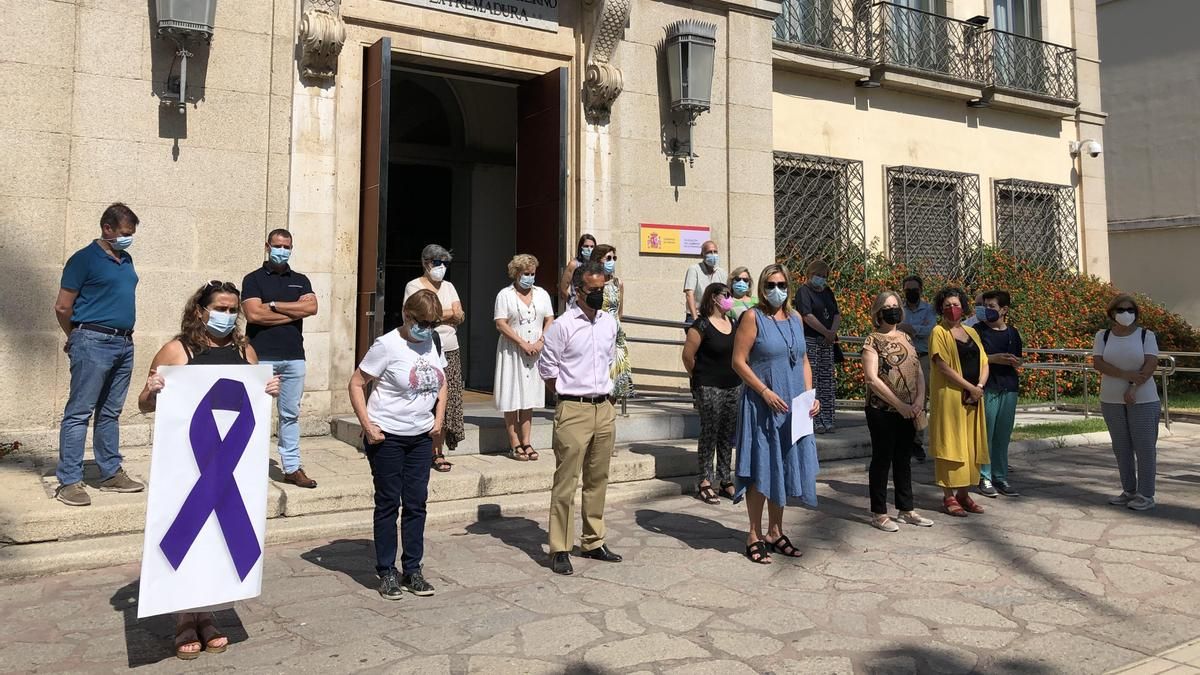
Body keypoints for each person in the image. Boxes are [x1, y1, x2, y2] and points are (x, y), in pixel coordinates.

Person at [136, 280, 281, 659]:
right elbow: (145, 404)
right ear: (200, 310)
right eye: (221, 307)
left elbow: (254, 395)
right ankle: (185, 617)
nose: (228, 315)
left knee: (217, 536)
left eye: (233, 309)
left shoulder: (244, 350)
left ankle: (208, 613)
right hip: (190, 463)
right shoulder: (177, 349)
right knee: (191, 531)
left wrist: (269, 392)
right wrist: (152, 389)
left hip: (230, 462)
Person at [348, 290, 447, 599]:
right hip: (388, 436)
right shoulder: (387, 345)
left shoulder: (433, 341)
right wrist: (367, 426)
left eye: (433, 323)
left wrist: (439, 420)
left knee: (417, 503)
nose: (427, 329)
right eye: (422, 322)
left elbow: (441, 382)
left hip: (420, 437)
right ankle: (387, 570)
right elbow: (355, 383)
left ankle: (413, 569)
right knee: (389, 502)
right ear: (407, 315)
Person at [52, 202, 145, 507]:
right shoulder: (83, 260)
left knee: (110, 412)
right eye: (124, 233)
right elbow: (63, 306)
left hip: (123, 343)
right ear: (107, 228)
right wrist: (76, 336)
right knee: (80, 412)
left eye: (130, 234)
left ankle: (109, 473)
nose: (127, 238)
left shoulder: (126, 258)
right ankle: (69, 480)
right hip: (92, 340)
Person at [731, 264, 820, 564]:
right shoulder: (752, 317)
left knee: (782, 465)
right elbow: (739, 362)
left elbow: (804, 360)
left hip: (793, 407)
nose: (776, 290)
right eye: (770, 284)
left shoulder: (795, 318)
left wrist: (810, 395)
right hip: (762, 406)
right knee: (761, 468)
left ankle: (776, 531)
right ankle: (754, 534)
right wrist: (764, 391)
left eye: (781, 284)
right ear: (761, 287)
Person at [539, 261, 623, 575]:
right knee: (566, 482)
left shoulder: (608, 323)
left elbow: (610, 360)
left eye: (603, 289)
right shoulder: (562, 326)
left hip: (604, 408)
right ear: (578, 290)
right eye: (594, 290)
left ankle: (593, 541)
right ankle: (560, 547)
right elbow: (547, 369)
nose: (599, 295)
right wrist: (566, 395)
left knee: (598, 479)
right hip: (573, 409)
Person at [241, 229, 319, 489]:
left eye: (287, 246)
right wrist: (292, 312)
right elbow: (254, 315)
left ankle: (292, 467)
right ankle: (248, 465)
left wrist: (273, 305)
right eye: (277, 245)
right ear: (267, 246)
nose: (282, 250)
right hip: (260, 357)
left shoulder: (300, 280)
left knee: (290, 415)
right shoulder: (253, 279)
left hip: (294, 357)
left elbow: (311, 308)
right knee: (254, 414)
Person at [861, 291, 933, 532]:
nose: (892, 310)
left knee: (904, 459)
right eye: (887, 306)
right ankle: (879, 512)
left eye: (896, 305)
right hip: (882, 410)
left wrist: (919, 401)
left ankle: (906, 508)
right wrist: (898, 404)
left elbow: (918, 371)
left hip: (910, 410)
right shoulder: (872, 340)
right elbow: (872, 379)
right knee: (882, 459)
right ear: (878, 312)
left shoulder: (906, 337)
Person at [1092, 294, 1161, 511]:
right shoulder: (1103, 336)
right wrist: (1124, 375)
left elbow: (1150, 363)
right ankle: (1129, 490)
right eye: (1121, 309)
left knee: (1144, 448)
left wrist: (1133, 386)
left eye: (1131, 310)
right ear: (1112, 313)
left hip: (1143, 399)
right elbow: (1098, 363)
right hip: (1111, 399)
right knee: (1121, 447)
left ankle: (1146, 494)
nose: (1126, 313)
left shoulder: (1145, 335)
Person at [929, 287, 990, 517]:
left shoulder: (972, 333)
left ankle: (964, 493)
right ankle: (948, 496)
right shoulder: (938, 332)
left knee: (969, 445)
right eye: (946, 306)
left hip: (974, 398)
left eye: (955, 304)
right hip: (951, 400)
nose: (951, 309)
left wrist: (980, 387)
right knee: (951, 445)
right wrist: (969, 387)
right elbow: (942, 365)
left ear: (963, 307)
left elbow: (984, 361)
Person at [404, 244, 464, 472]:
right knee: (428, 398)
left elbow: (460, 315)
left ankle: (439, 450)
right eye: (437, 263)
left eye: (445, 264)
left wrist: (439, 315)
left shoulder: (448, 286)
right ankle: (427, 451)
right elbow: (420, 314)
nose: (441, 268)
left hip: (450, 347)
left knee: (447, 400)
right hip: (425, 349)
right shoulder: (414, 286)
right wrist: (445, 314)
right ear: (426, 263)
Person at [682, 283, 740, 503]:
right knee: (710, 433)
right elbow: (688, 356)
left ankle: (725, 480)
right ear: (714, 298)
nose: (729, 299)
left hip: (732, 385)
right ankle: (705, 481)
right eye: (726, 295)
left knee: (727, 434)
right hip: (708, 386)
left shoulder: (732, 323)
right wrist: (699, 378)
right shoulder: (702, 325)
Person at [493, 254, 555, 460]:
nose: (529, 277)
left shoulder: (542, 294)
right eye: (526, 274)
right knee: (512, 396)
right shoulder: (505, 294)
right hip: (512, 351)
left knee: (528, 397)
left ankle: (527, 440)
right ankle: (514, 442)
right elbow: (501, 323)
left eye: (532, 274)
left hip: (535, 351)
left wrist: (540, 342)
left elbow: (549, 319)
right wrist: (521, 343)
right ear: (516, 274)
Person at [977, 290, 1023, 498]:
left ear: (1004, 310)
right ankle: (984, 476)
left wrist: (1015, 361)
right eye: (985, 306)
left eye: (992, 307)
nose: (987, 310)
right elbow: (972, 359)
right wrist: (992, 359)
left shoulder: (1012, 333)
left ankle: (1000, 476)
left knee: (1003, 435)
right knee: (986, 433)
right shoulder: (978, 331)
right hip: (988, 386)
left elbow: (1020, 359)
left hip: (1009, 387)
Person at [794, 260, 840, 434]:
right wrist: (825, 331)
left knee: (827, 379)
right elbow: (807, 315)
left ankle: (828, 419)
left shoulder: (827, 292)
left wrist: (831, 332)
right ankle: (814, 420)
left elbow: (836, 314)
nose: (821, 279)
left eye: (824, 276)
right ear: (810, 273)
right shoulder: (803, 292)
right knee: (812, 380)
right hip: (811, 339)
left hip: (827, 342)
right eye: (818, 275)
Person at [901, 274, 936, 462]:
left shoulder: (929, 310)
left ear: (921, 290)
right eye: (908, 290)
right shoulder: (900, 309)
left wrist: (910, 328)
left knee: (921, 402)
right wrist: (914, 329)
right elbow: (896, 328)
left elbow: (931, 330)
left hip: (923, 358)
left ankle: (918, 442)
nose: (911, 293)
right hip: (904, 359)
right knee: (904, 399)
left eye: (914, 289)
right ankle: (905, 440)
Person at [592, 245, 633, 401]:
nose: (612, 262)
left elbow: (619, 311)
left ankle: (610, 415)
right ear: (598, 260)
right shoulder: (593, 282)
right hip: (597, 333)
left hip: (616, 335)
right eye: (608, 258)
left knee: (616, 381)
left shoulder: (618, 283)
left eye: (614, 258)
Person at [683, 240, 727, 323]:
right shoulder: (694, 269)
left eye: (715, 252)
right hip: (697, 315)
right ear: (702, 254)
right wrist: (695, 318)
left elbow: (724, 296)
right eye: (709, 252)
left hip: (715, 316)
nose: (713, 255)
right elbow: (689, 294)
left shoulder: (722, 272)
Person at [559, 234, 597, 307]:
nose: (589, 249)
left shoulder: (596, 265)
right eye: (586, 246)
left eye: (592, 246)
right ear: (581, 247)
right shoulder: (573, 264)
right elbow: (563, 288)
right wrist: (571, 301)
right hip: (576, 305)